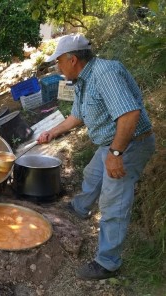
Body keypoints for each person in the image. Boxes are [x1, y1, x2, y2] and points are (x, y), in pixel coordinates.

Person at [38, 34, 155, 280]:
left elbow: (130, 115)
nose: (58, 67)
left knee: (114, 202)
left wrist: (115, 153)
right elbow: (77, 116)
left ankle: (108, 262)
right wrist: (52, 132)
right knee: (92, 174)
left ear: (72, 59)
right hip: (112, 144)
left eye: (59, 61)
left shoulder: (105, 74)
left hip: (130, 145)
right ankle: (79, 208)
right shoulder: (83, 79)